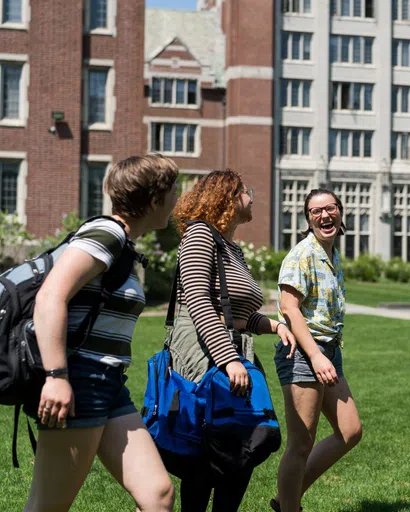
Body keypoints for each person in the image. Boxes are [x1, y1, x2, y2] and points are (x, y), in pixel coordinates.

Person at [25, 154, 180, 511]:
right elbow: (50, 296)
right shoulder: (106, 233)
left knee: (158, 495)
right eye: (173, 190)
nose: (177, 199)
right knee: (47, 506)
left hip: (109, 383)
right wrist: (57, 376)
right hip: (80, 380)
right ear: (154, 198)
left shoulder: (122, 242)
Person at [170, 169, 296, 512]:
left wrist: (272, 325)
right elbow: (198, 299)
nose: (252, 198)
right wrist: (229, 359)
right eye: (246, 191)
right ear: (227, 198)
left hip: (233, 350)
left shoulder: (230, 247)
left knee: (244, 444)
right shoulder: (199, 235)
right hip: (207, 356)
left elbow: (235, 309)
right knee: (208, 447)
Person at [272, 188, 363, 512]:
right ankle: (290, 507)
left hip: (328, 352)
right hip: (303, 353)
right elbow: (289, 308)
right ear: (308, 219)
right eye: (315, 211)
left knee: (350, 431)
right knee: (301, 443)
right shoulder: (302, 255)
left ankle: (286, 500)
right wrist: (315, 355)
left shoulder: (331, 253)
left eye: (330, 208)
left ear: (340, 212)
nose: (324, 215)